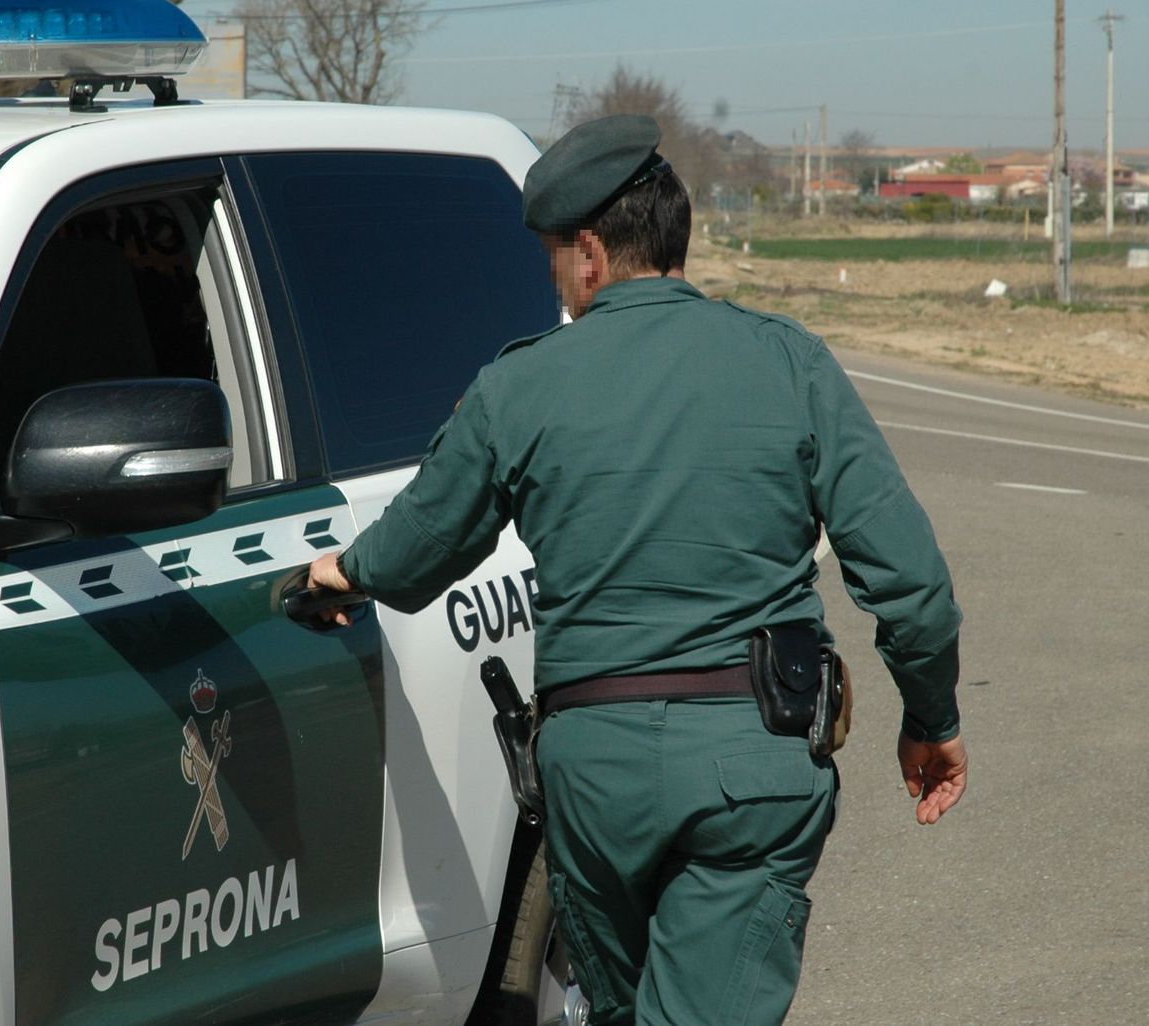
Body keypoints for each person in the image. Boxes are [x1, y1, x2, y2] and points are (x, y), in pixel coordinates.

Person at [306, 114, 968, 1026]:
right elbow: (914, 586)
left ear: (588, 255)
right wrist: (931, 719)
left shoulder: (517, 386)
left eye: (552, 259)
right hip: (754, 765)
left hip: (594, 781)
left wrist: (343, 574)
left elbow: (417, 548)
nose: (555, 281)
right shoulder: (789, 362)